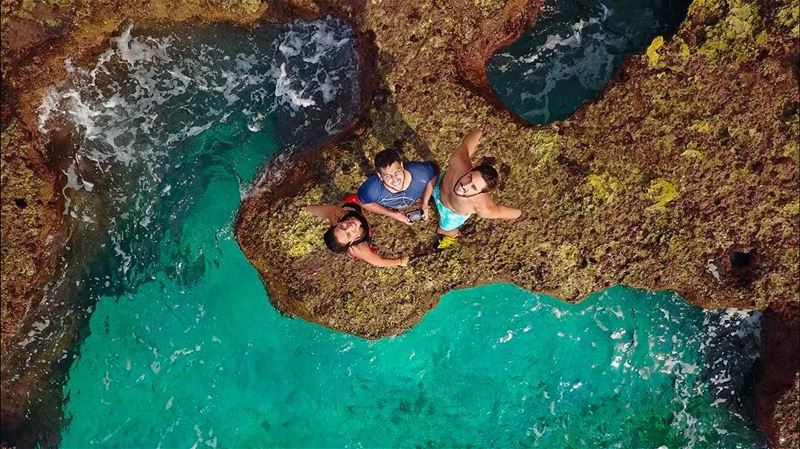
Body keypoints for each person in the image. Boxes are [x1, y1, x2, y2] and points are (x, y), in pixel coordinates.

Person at [432, 127, 521, 247]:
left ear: (480, 193)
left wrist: (519, 213)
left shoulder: (482, 206)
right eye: (469, 177)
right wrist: (478, 131)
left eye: (473, 187)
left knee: (442, 230)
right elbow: (466, 146)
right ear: (470, 170)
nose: (464, 185)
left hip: (451, 214)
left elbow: (499, 211)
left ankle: (453, 235)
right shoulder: (459, 160)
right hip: (438, 186)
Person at [305, 202, 410, 267]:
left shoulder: (335, 213)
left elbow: (310, 209)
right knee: (368, 251)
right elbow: (379, 262)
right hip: (360, 243)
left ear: (337, 223)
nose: (350, 227)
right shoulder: (361, 248)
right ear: (351, 242)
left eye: (342, 227)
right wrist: (400, 261)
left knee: (347, 203)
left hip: (350, 208)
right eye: (349, 235)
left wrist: (303, 208)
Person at [356, 149, 438, 225]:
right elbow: (362, 202)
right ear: (380, 176)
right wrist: (392, 214)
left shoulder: (421, 172)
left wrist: (425, 202)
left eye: (397, 172)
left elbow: (435, 172)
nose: (395, 180)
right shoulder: (371, 190)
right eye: (388, 176)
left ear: (402, 165)